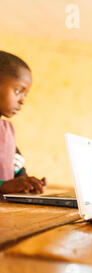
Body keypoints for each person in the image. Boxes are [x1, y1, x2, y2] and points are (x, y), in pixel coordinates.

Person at [0, 51, 46, 195]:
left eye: (25, 95)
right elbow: (5, 184)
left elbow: (16, 168)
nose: (22, 100)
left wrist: (27, 183)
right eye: (18, 91)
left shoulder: (7, 130)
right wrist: (2, 186)